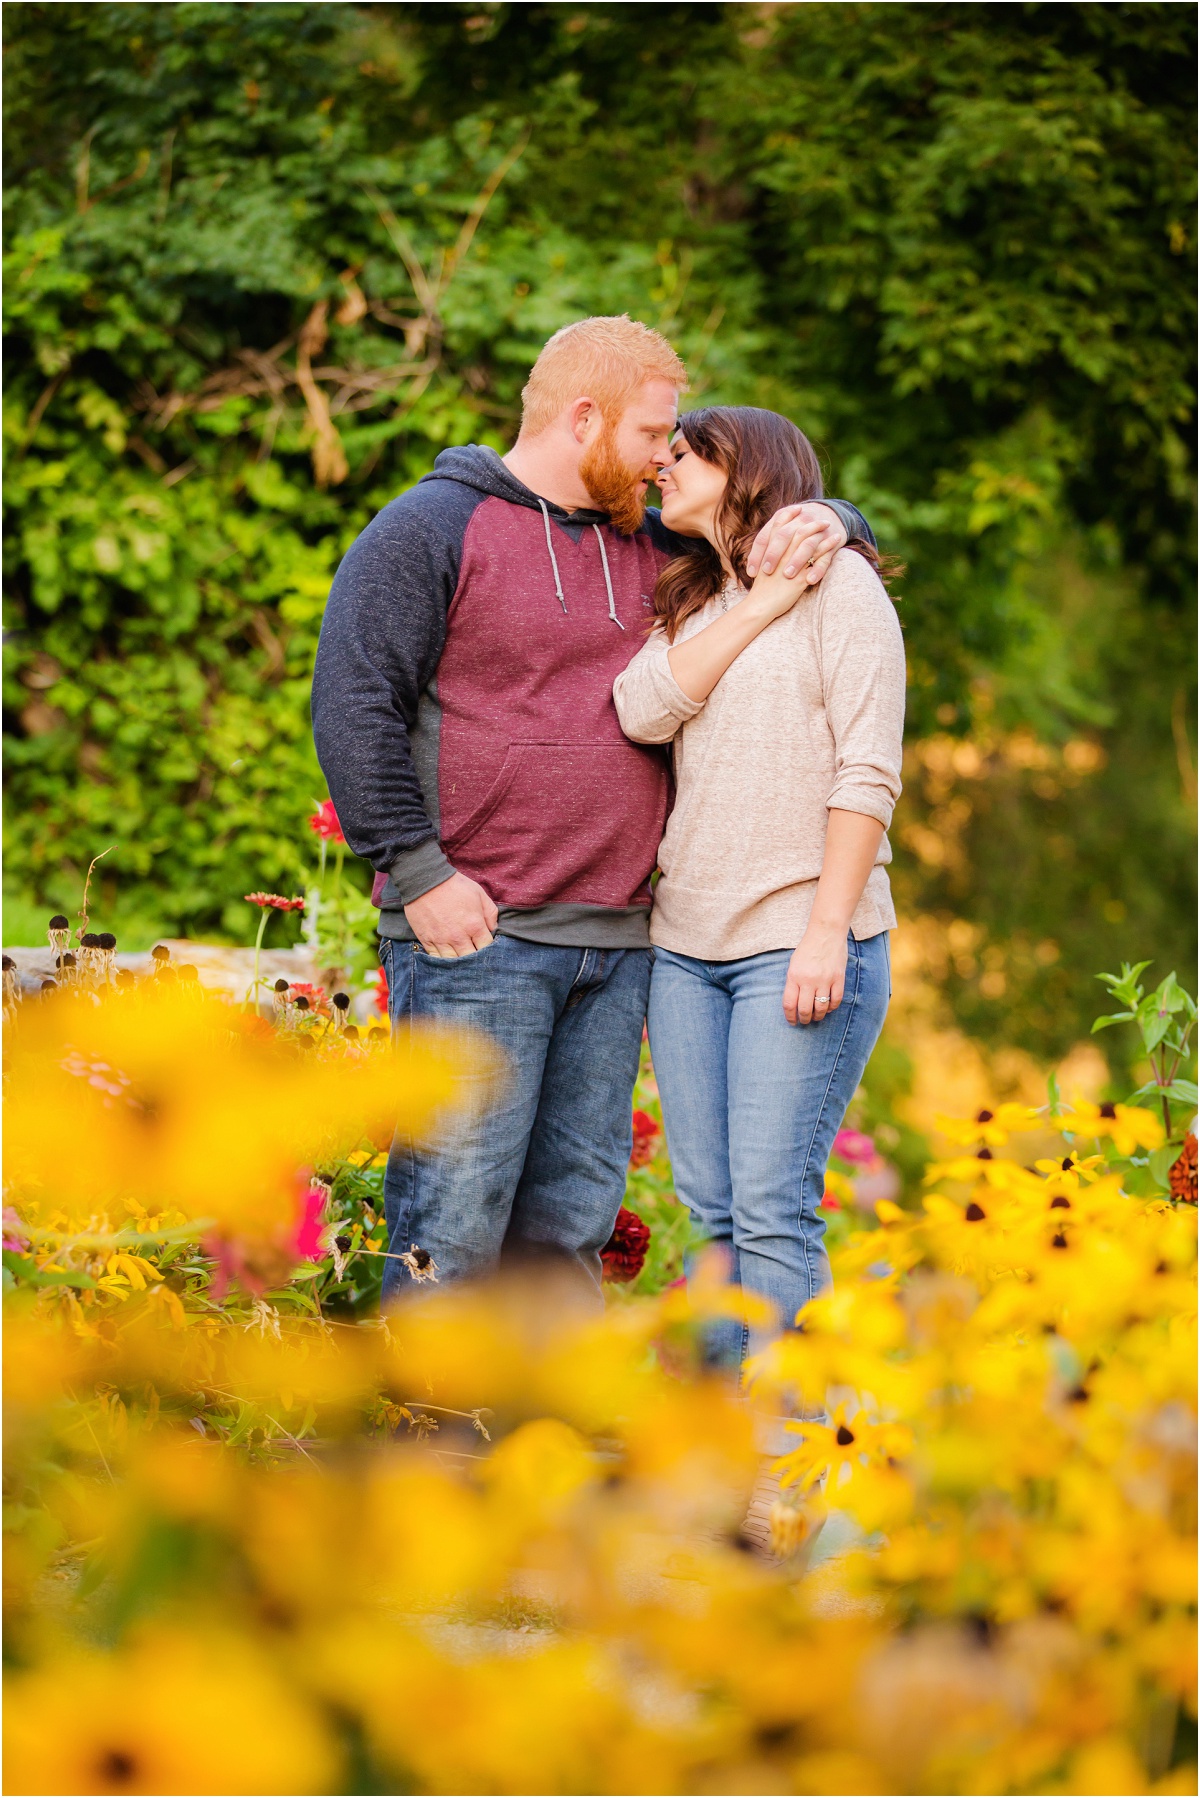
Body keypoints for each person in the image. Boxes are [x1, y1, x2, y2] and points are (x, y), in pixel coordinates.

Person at [311, 317, 876, 1305]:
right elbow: (353, 703)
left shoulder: (654, 541)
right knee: (452, 1215)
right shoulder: (432, 527)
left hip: (618, 946)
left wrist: (842, 516)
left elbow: (770, 533)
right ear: (585, 418)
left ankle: (542, 1451)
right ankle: (428, 1455)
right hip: (477, 937)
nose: (667, 458)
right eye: (655, 433)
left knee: (570, 1224)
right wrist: (420, 871)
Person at [613, 405, 904, 1368]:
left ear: (747, 471)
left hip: (798, 937)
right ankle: (717, 1453)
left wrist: (828, 930)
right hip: (686, 948)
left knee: (772, 1212)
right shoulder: (694, 599)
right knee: (711, 1213)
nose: (663, 466)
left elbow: (867, 775)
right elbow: (642, 709)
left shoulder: (847, 588)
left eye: (685, 453)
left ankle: (786, 1460)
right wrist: (763, 600)